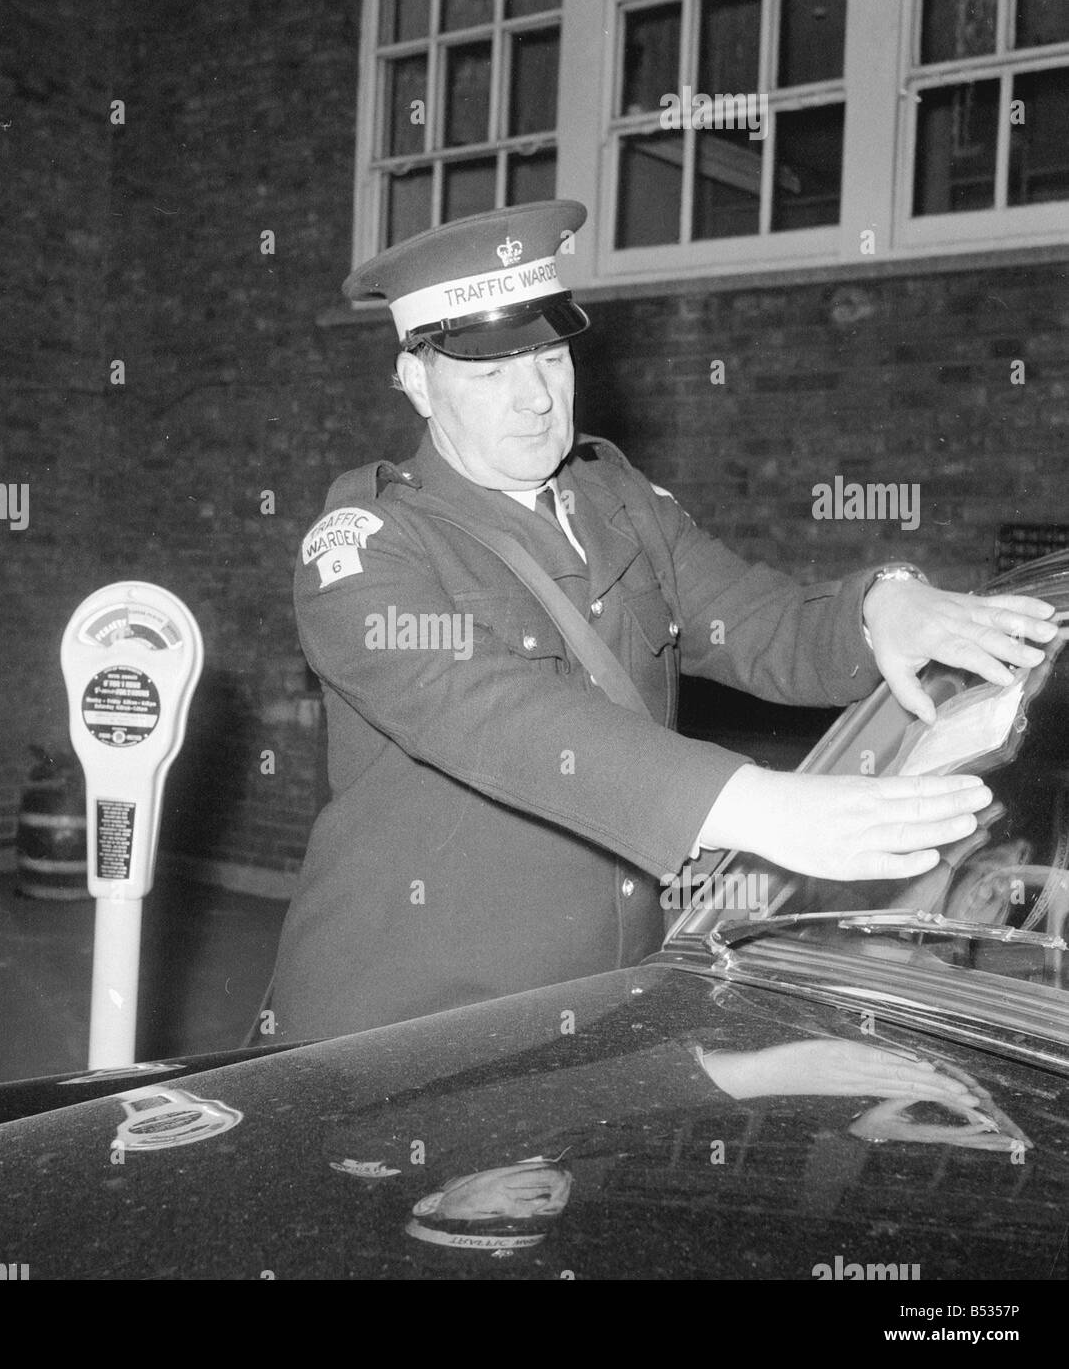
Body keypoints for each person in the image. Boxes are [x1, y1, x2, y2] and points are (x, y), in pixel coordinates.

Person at [268, 200, 1059, 1042]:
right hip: (400, 1034)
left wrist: (881, 604)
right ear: (419, 383)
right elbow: (496, 716)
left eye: (550, 357)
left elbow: (764, 623)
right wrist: (760, 805)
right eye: (490, 373)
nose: (535, 399)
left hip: (594, 1018)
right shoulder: (367, 549)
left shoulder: (621, 504)